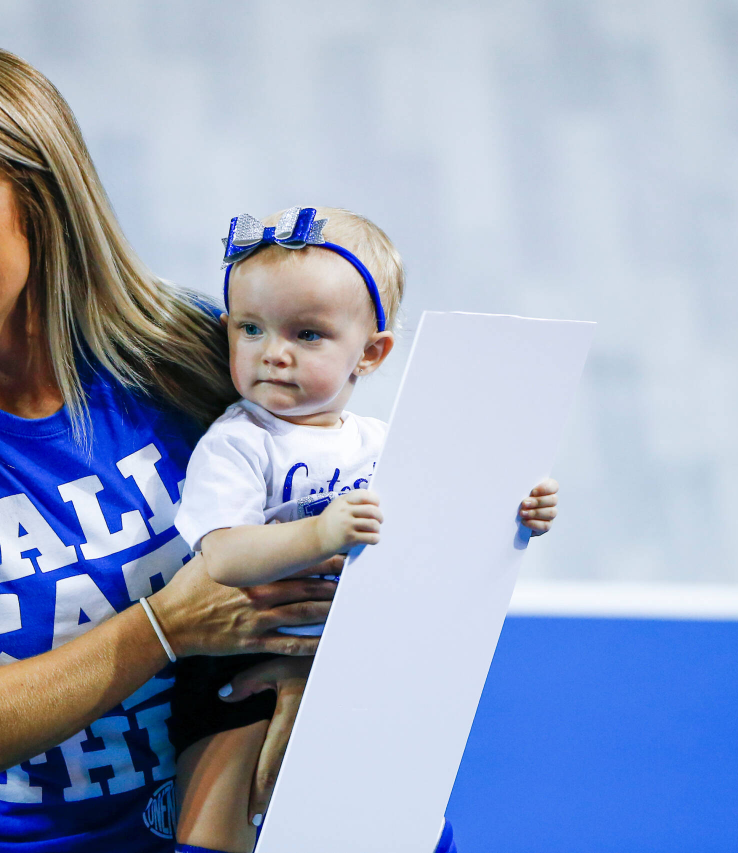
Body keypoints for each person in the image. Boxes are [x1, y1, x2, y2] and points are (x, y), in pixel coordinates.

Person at [0, 42, 336, 852]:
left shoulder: (186, 353)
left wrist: (304, 666)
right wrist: (166, 626)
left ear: (41, 206)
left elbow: (331, 502)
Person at [169, 206, 559, 852]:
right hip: (242, 658)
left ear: (371, 354)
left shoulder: (384, 445)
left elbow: (442, 527)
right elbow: (224, 556)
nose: (274, 353)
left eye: (308, 334)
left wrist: (518, 510)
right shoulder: (239, 443)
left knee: (395, 821)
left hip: (359, 659)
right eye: (251, 328)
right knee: (224, 821)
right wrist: (318, 536)